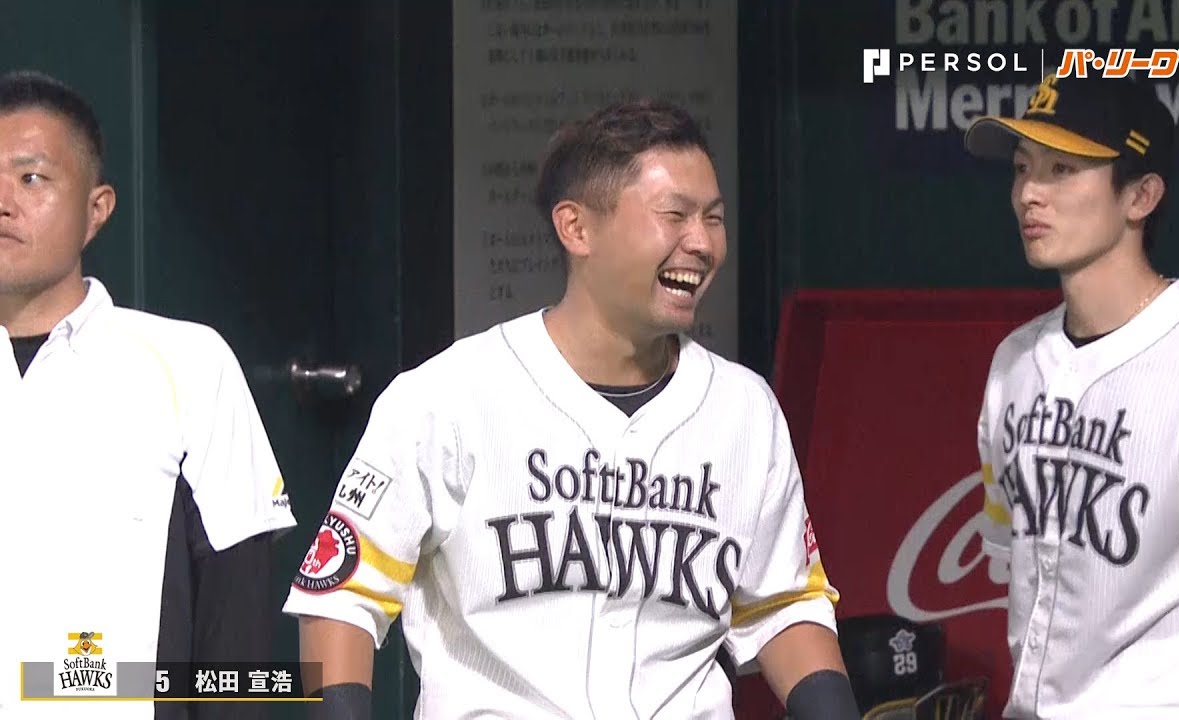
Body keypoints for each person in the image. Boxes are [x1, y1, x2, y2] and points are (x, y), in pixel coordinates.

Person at [282, 98, 859, 719]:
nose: (701, 243)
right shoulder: (447, 396)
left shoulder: (745, 411)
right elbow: (341, 596)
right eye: (675, 215)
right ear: (576, 228)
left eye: (713, 218)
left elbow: (783, 604)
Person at [966, 71, 1179, 718]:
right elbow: (1015, 560)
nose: (1029, 193)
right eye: (1023, 168)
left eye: (1061, 169)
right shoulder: (1014, 366)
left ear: (1140, 196)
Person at [0, 70, 297, 718]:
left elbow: (234, 617)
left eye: (31, 178)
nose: (4, 202)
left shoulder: (187, 363)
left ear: (97, 209)